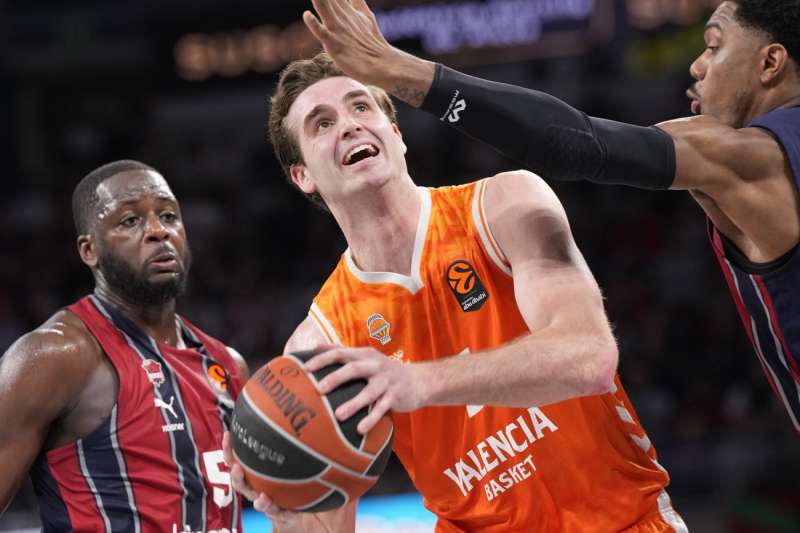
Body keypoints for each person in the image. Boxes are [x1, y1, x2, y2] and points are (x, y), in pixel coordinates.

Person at [228, 52, 687, 532]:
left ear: (396, 134)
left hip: (625, 521)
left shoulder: (505, 205)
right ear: (302, 175)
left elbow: (589, 357)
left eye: (361, 107)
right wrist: (284, 506)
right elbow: (328, 527)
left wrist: (418, 382)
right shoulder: (320, 341)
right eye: (322, 124)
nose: (349, 126)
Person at [301, 0, 800, 433]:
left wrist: (396, 71)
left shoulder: (750, 157)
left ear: (771, 62)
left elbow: (577, 142)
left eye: (713, 46)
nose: (696, 65)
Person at [0, 160, 248, 532]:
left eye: (168, 215)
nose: (157, 231)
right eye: (130, 221)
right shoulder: (54, 357)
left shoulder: (227, 364)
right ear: (89, 251)